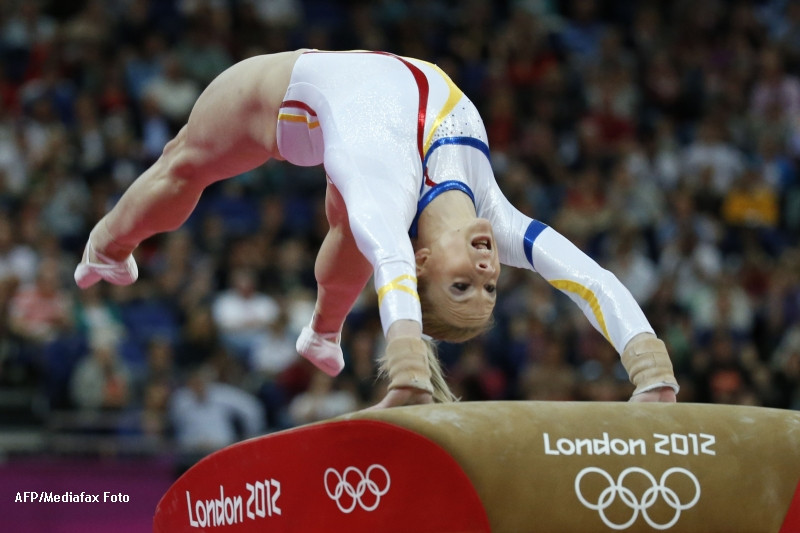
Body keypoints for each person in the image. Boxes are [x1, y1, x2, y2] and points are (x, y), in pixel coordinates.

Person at [74, 49, 678, 408]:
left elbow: (390, 255)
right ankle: (321, 331)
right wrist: (651, 368)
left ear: (422, 268)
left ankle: (107, 242)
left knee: (187, 164)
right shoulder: (498, 216)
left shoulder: (386, 202)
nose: (489, 275)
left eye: (464, 287)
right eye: (490, 289)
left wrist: (410, 368)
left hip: (280, 105)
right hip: (350, 103)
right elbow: (589, 277)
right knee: (350, 227)